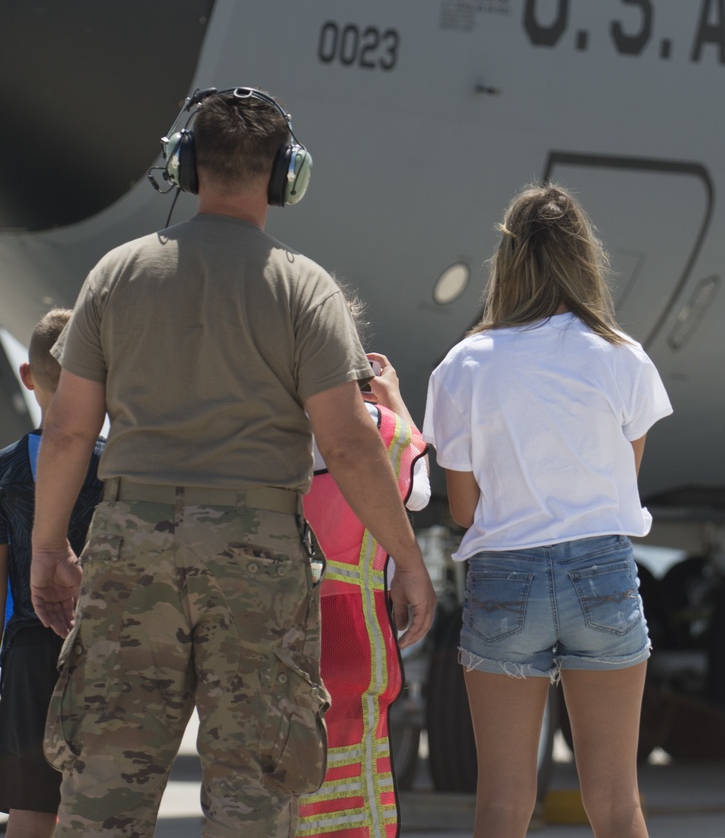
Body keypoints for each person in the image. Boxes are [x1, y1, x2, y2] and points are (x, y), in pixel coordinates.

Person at [29, 86, 436, 838]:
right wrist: (408, 560)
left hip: (130, 542)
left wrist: (50, 546)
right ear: (287, 175)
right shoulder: (304, 288)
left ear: (185, 168)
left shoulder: (116, 276)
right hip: (256, 553)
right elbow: (346, 443)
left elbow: (65, 433)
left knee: (105, 787)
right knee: (254, 788)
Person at [423, 185, 673, 838]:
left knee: (503, 802)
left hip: (506, 579)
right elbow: (624, 478)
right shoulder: (623, 355)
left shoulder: (465, 364)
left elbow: (461, 507)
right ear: (585, 258)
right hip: (603, 573)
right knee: (617, 801)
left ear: (507, 262)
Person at [298, 352, 429, 838]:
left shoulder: (263, 421)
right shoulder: (387, 431)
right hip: (356, 627)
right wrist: (392, 399)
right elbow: (418, 493)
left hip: (275, 619)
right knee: (358, 773)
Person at [0, 311, 103, 838]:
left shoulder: (4, 471)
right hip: (107, 650)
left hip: (27, 654)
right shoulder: (118, 469)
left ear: (27, 377)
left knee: (30, 812)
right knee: (109, 804)